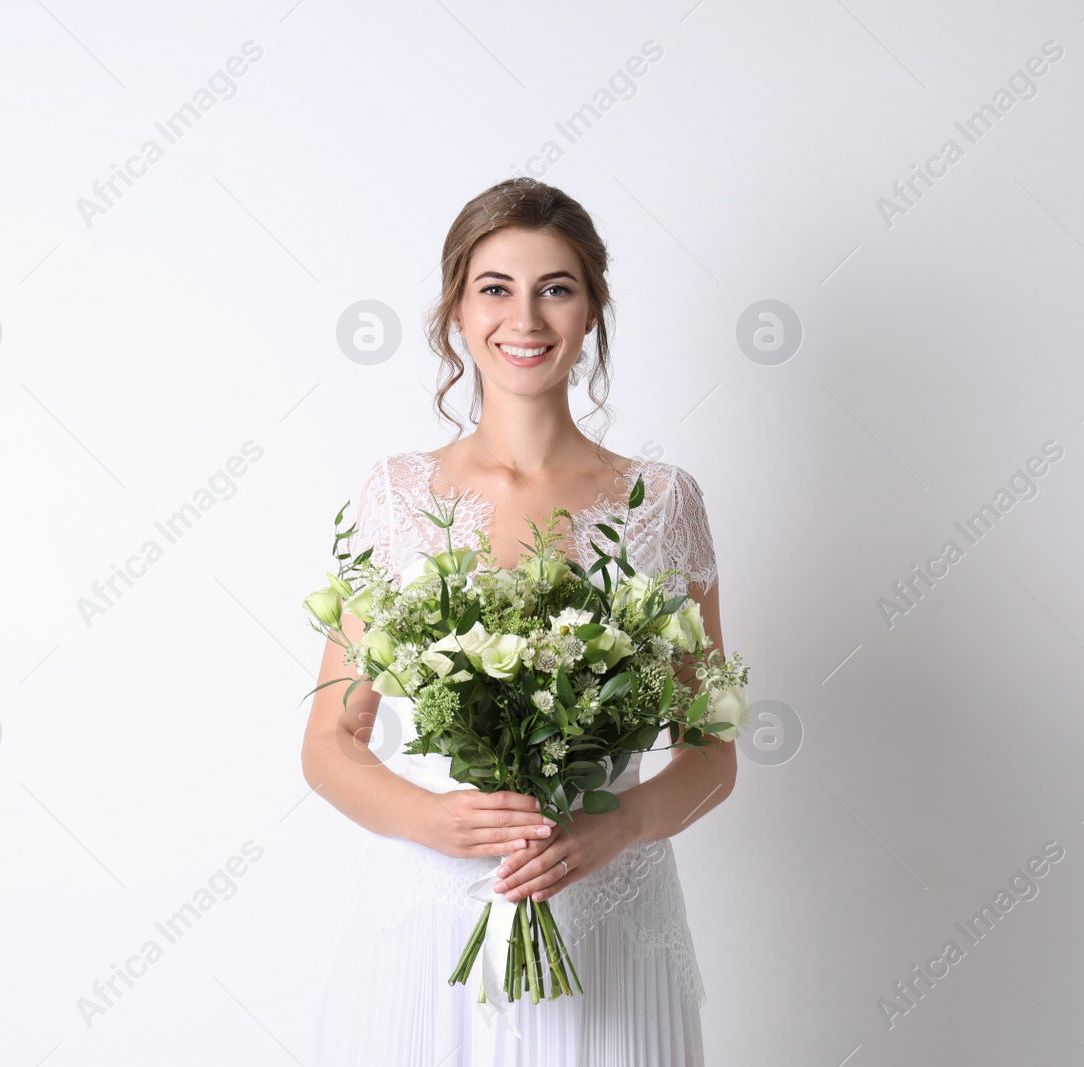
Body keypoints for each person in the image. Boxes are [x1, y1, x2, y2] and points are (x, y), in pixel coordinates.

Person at [302, 177, 735, 1065]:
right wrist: (428, 818)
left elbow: (714, 750)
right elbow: (329, 740)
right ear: (457, 311)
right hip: (432, 921)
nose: (525, 318)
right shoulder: (395, 497)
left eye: (557, 287)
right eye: (496, 287)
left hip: (612, 918)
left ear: (592, 310)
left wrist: (620, 822)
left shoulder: (664, 502)